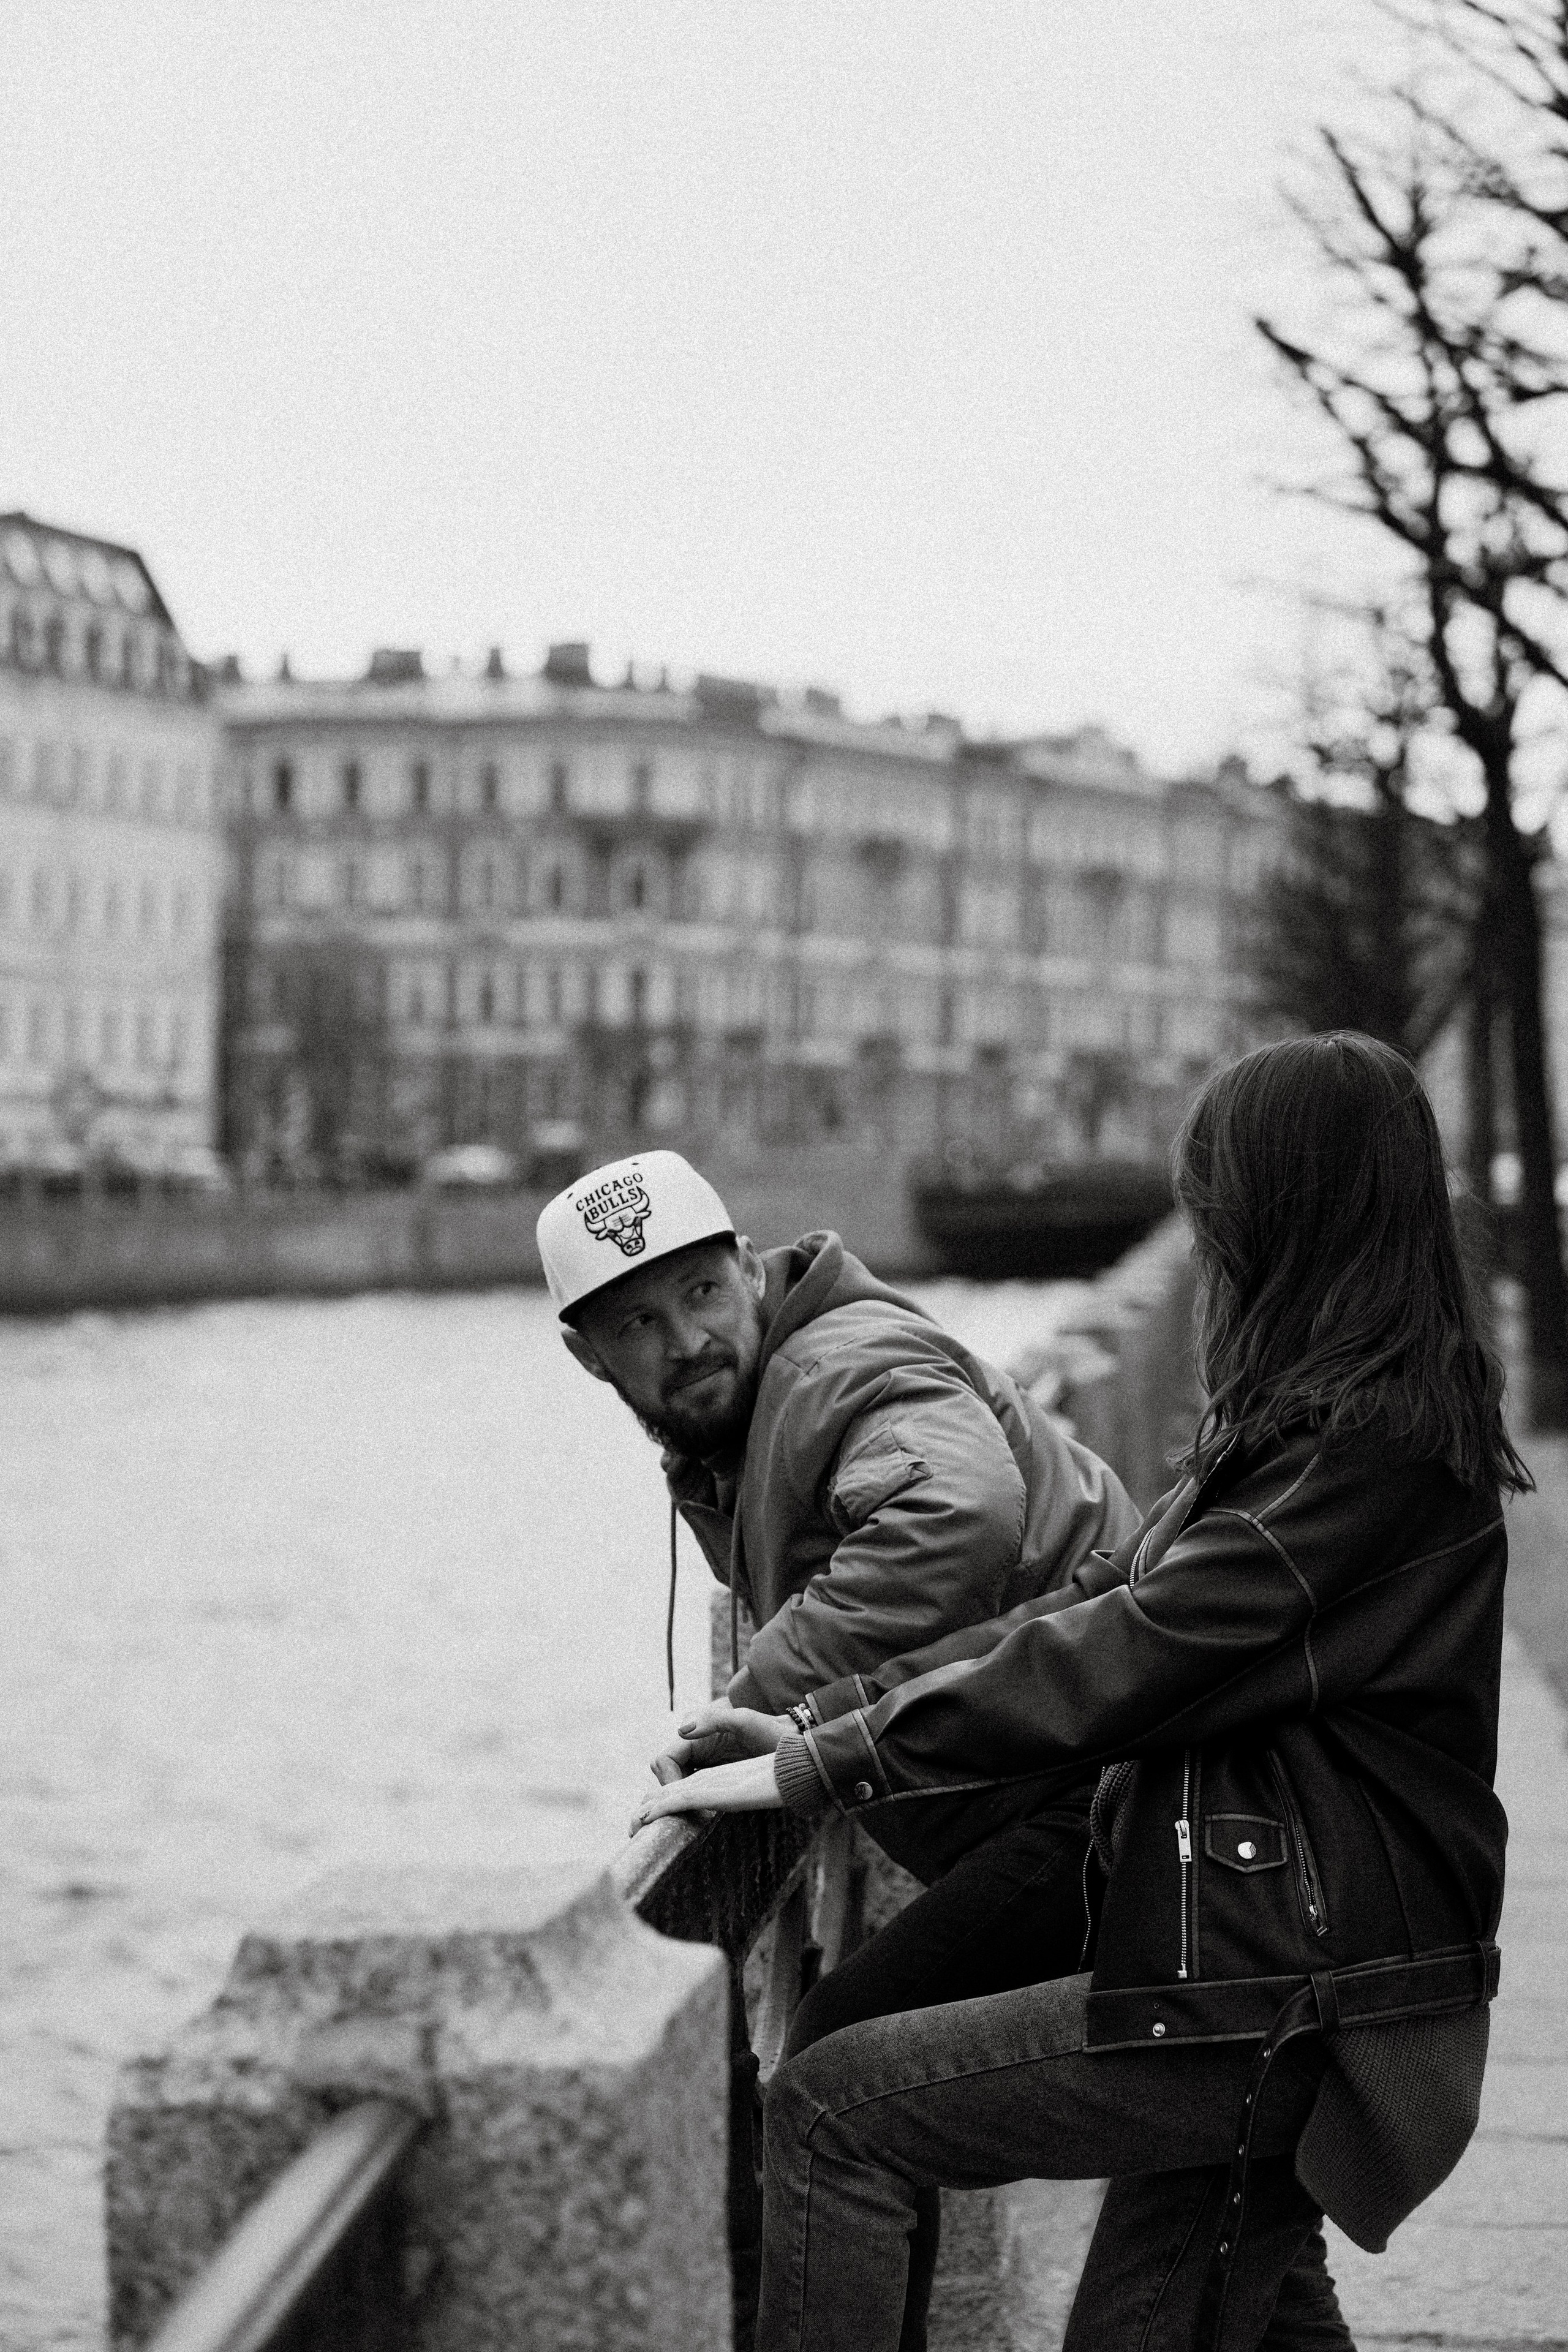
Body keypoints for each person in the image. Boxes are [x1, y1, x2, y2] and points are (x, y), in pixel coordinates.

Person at [635, 1035, 1525, 2352]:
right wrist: (828, 1722)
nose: (1205, 1243)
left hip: (1292, 1987)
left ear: (1283, 1221)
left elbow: (1124, 1652)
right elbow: (1101, 1600)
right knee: (1245, 2317)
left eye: (1215, 1204)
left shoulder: (1359, 1458)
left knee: (831, 2110)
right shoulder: (1321, 1433)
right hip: (1285, 1953)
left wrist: (831, 1758)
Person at [537, 1149, 1140, 2332]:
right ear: (588, 1355)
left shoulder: (830, 1371)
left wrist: (770, 1708)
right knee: (1220, 2247)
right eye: (640, 1323)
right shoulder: (752, 1411)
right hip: (1091, 1760)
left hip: (1103, 1787)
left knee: (832, 2074)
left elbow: (954, 1511)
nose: (688, 1341)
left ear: (748, 1269)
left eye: (703, 1293)